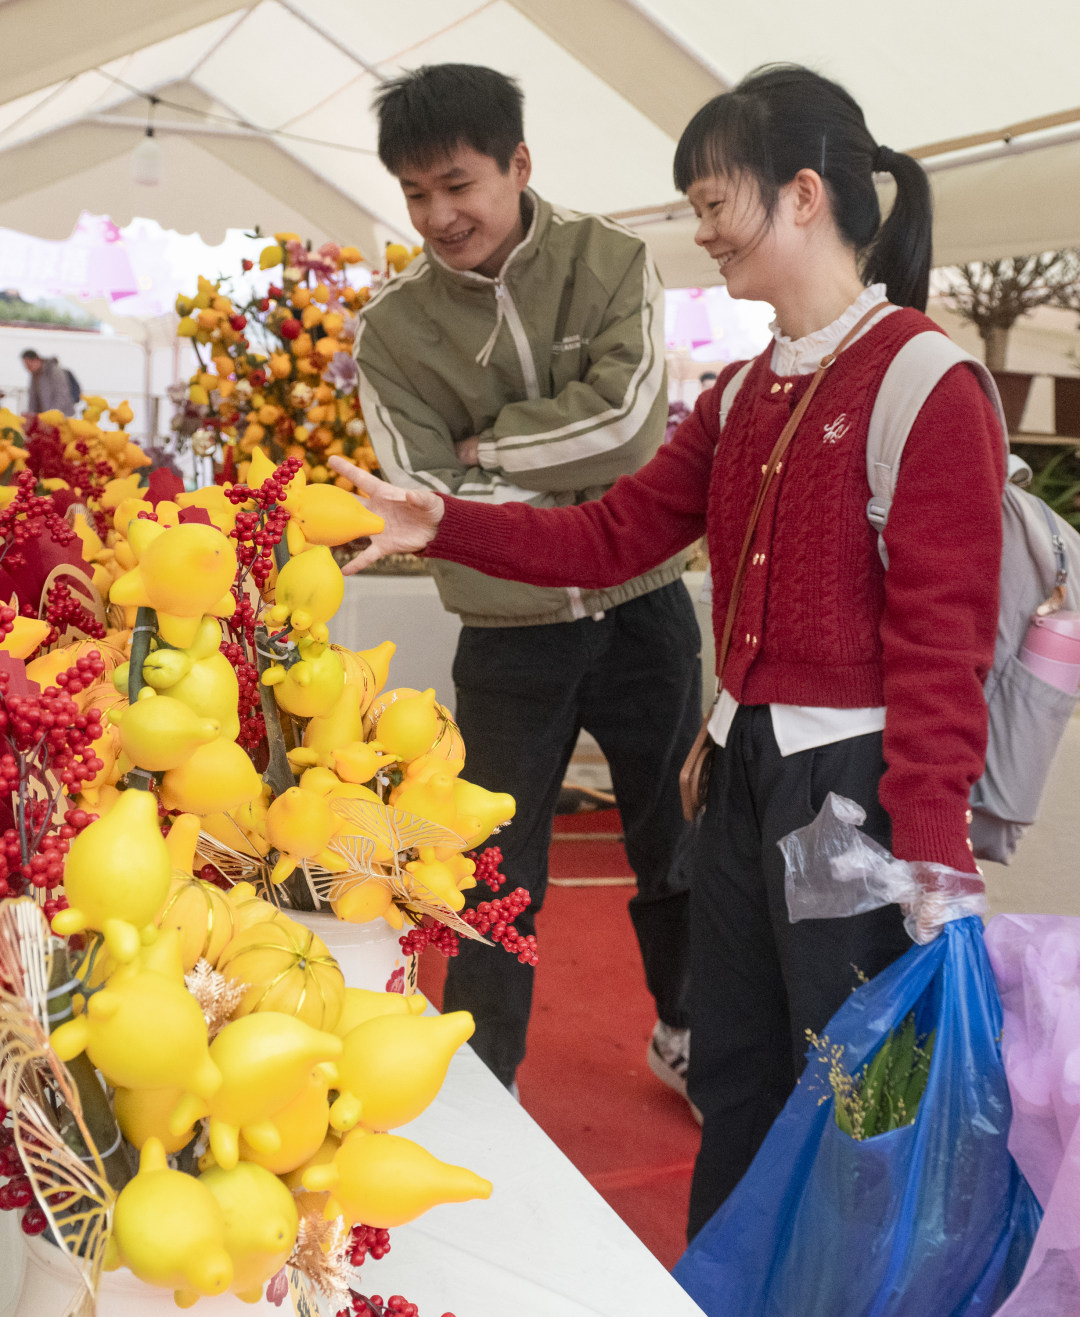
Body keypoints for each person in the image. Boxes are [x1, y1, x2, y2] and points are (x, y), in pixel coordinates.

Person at [334, 63, 1006, 1239]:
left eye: (715, 203)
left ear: (803, 195)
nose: (699, 234)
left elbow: (941, 643)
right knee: (737, 1068)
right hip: (749, 773)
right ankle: (724, 1280)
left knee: (853, 1094)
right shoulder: (746, 391)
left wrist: (936, 863)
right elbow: (617, 531)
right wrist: (441, 521)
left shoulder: (925, 381)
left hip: (853, 795)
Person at [354, 64, 702, 1097]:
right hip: (507, 629)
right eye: (416, 194)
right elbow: (417, 495)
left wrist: (486, 457)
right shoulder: (391, 333)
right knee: (491, 867)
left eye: (458, 184)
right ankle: (481, 1079)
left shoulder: (611, 261)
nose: (439, 214)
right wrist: (556, 487)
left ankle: (690, 1033)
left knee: (676, 841)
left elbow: (631, 430)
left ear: (519, 165)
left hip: (644, 608)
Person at [21, 349, 79, 416]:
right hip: (44, 417)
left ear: (37, 360)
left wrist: (51, 414)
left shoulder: (54, 371)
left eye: (29, 365)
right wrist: (31, 414)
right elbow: (33, 400)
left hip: (60, 416)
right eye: (26, 366)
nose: (28, 369)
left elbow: (62, 395)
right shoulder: (35, 376)